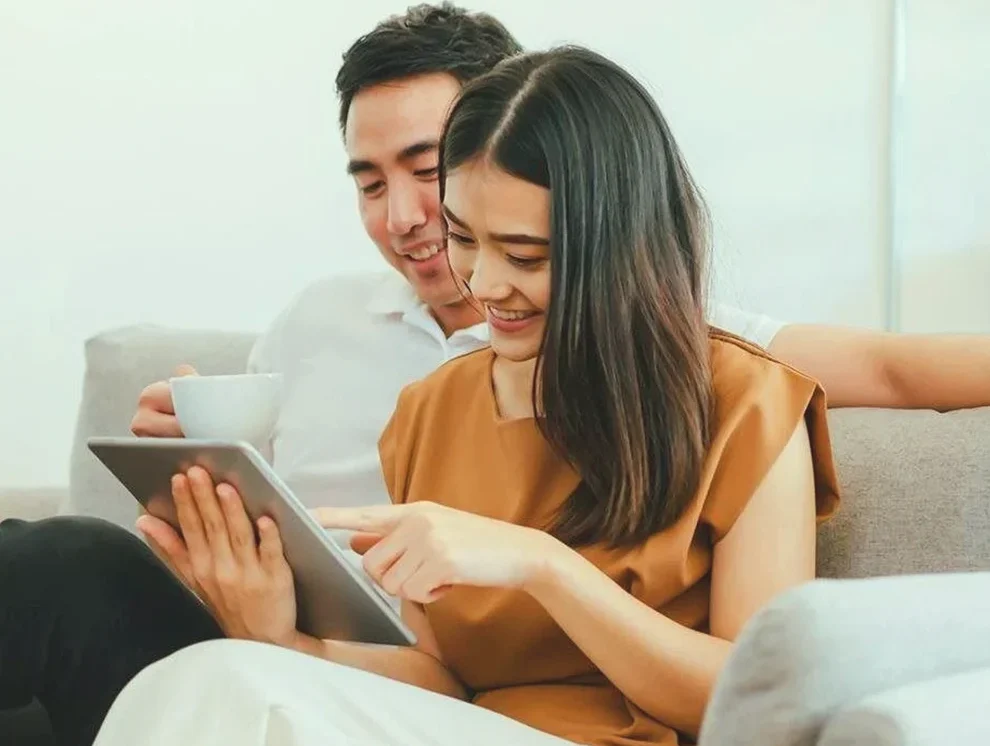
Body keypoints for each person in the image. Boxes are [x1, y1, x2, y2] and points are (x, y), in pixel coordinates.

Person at [91, 44, 840, 746]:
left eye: (523, 254)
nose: (483, 284)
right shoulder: (431, 409)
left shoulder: (747, 405)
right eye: (463, 239)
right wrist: (285, 640)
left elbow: (762, 706)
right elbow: (438, 679)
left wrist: (542, 566)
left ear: (619, 247)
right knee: (209, 672)